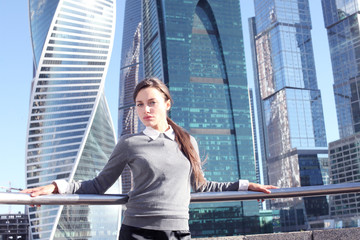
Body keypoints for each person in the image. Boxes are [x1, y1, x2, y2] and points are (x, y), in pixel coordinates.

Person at [21, 77, 277, 240]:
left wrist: (245, 185)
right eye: (140, 104)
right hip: (136, 232)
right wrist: (57, 187)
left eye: (152, 102)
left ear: (167, 104)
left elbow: (202, 186)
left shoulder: (187, 141)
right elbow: (98, 185)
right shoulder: (130, 143)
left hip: (178, 232)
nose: (145, 110)